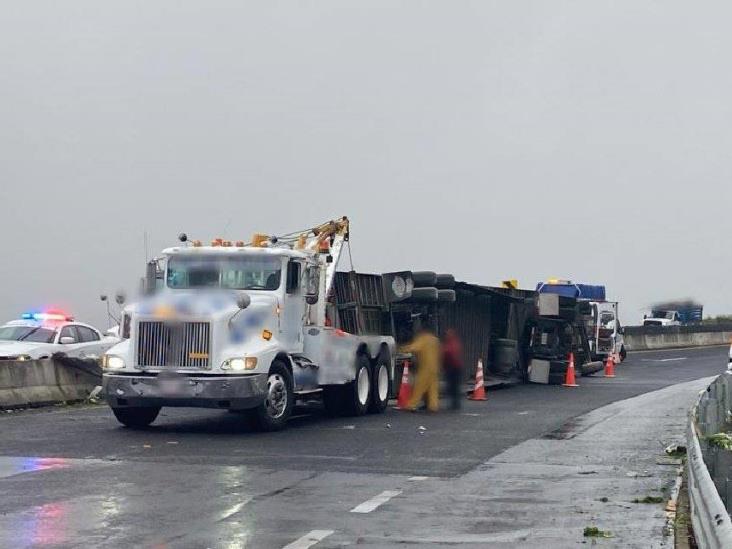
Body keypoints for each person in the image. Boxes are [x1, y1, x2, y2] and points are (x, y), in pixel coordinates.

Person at [399, 319, 441, 412]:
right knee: (432, 388)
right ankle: (433, 406)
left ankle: (411, 405)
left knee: (419, 387)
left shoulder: (423, 339)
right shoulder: (435, 340)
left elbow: (414, 347)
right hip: (434, 367)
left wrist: (401, 349)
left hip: (426, 367)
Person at [442, 328, 464, 410]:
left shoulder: (451, 344)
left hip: (453, 368)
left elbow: (450, 355)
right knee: (453, 386)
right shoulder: (453, 343)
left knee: (453, 386)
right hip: (454, 367)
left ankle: (455, 403)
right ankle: (455, 403)